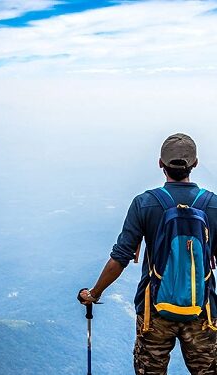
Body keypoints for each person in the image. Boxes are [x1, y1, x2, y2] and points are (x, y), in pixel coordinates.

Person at [79, 133, 217, 374]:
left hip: (153, 311)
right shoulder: (213, 204)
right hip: (202, 312)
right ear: (194, 164)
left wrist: (94, 293)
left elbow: (120, 258)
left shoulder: (145, 203)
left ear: (160, 164)